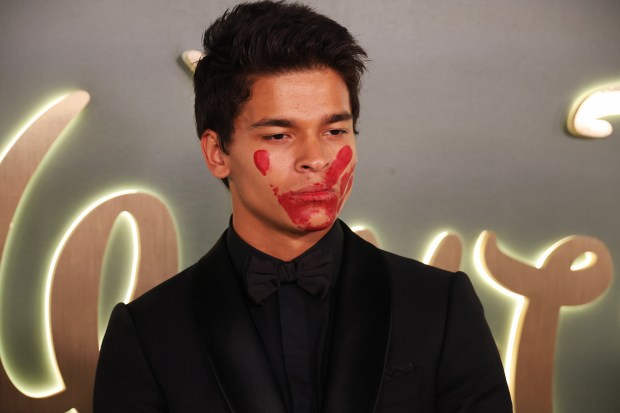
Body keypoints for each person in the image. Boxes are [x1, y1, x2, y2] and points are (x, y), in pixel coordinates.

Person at [93, 1, 513, 412]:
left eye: (334, 130)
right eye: (279, 135)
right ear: (217, 152)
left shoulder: (440, 306)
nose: (316, 158)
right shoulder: (147, 334)